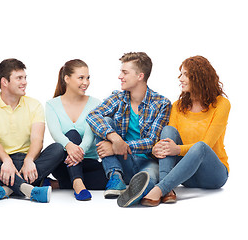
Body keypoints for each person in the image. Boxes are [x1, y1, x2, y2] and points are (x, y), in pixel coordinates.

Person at [141, 56, 230, 207]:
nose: (180, 79)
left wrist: (176, 149)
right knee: (168, 130)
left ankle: (160, 188)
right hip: (186, 176)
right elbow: (168, 140)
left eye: (185, 74)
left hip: (214, 175)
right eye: (180, 74)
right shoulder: (177, 106)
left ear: (200, 77)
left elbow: (207, 144)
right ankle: (167, 189)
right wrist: (157, 148)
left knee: (201, 147)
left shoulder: (222, 104)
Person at [0, 58, 64, 203]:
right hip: (1, 165)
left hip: (28, 163)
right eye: (19, 78)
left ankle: (5, 190)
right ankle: (29, 190)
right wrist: (6, 161)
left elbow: (37, 140)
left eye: (25, 78)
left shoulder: (34, 105)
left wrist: (29, 160)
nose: (24, 82)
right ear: (4, 82)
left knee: (58, 148)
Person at [86, 52, 171, 207]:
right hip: (121, 163)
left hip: (147, 162)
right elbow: (92, 115)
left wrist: (117, 147)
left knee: (150, 177)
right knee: (105, 121)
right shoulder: (118, 97)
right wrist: (115, 138)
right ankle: (115, 177)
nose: (120, 76)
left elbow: (152, 141)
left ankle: (139, 189)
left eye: (125, 72)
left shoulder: (162, 103)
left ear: (140, 76)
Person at [45, 59, 107, 201]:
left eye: (88, 78)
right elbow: (56, 134)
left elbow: (89, 136)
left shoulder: (96, 103)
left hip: (87, 161)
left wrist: (79, 152)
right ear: (67, 78)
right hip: (63, 162)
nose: (86, 82)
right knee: (72, 134)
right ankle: (78, 183)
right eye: (81, 78)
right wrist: (69, 146)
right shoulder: (52, 104)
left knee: (106, 179)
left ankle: (58, 184)